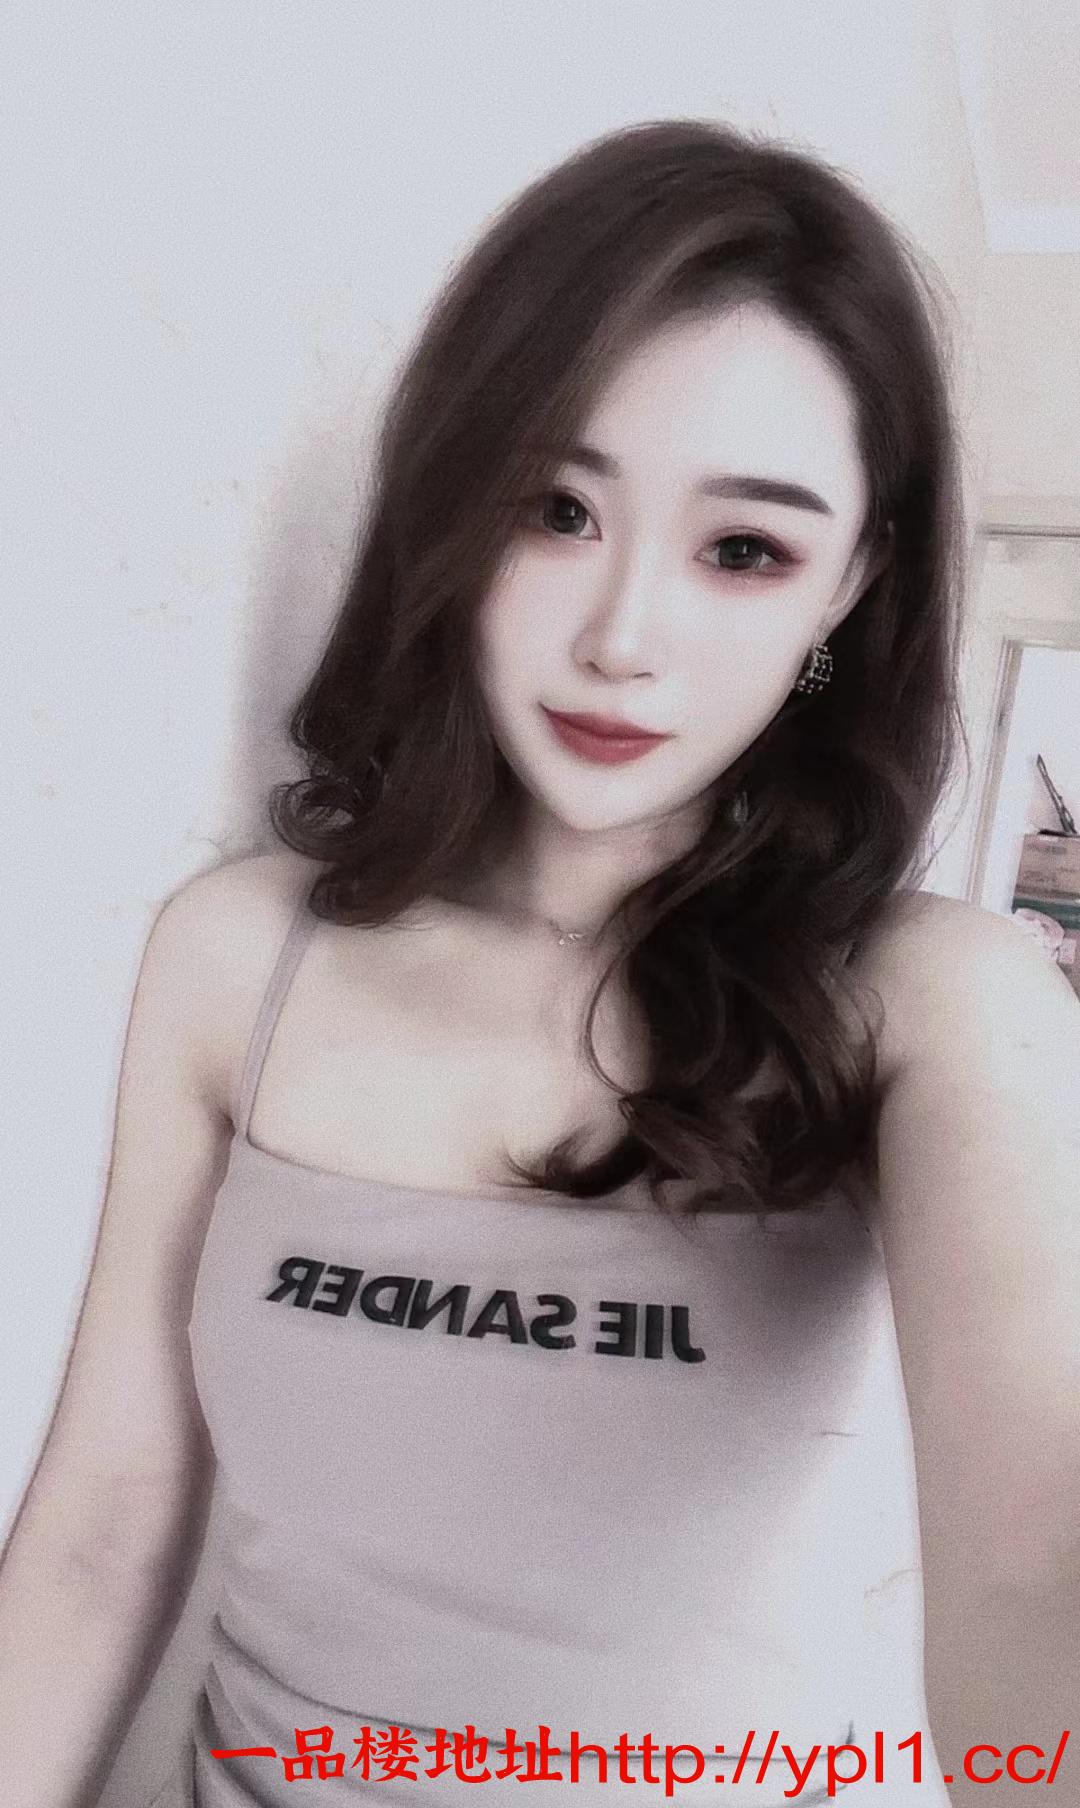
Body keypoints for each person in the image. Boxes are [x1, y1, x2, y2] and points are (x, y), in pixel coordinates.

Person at [2, 117, 1078, 1808]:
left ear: (846, 592)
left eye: (744, 550)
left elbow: (1035, 1563)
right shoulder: (239, 955)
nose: (621, 636)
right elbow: (100, 1528)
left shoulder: (931, 1001)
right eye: (556, 510)